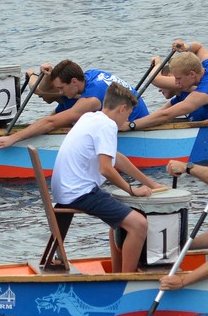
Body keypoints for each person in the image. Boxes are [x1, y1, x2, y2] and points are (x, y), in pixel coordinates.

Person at [50, 82, 164, 273]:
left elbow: (117, 159)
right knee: (138, 224)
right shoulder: (107, 126)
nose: (126, 120)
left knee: (121, 219)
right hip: (79, 193)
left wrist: (150, 184)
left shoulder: (90, 118)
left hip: (66, 191)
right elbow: (106, 169)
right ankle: (127, 279)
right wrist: (132, 190)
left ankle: (118, 271)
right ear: (122, 108)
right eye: (128, 115)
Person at [0, 60, 148, 150]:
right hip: (117, 111)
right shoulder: (89, 75)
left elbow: (50, 122)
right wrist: (48, 76)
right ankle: (34, 77)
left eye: (61, 88)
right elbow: (44, 92)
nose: (59, 92)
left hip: (136, 127)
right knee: (50, 98)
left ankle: (32, 76)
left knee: (55, 116)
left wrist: (13, 138)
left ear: (74, 82)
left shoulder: (91, 100)